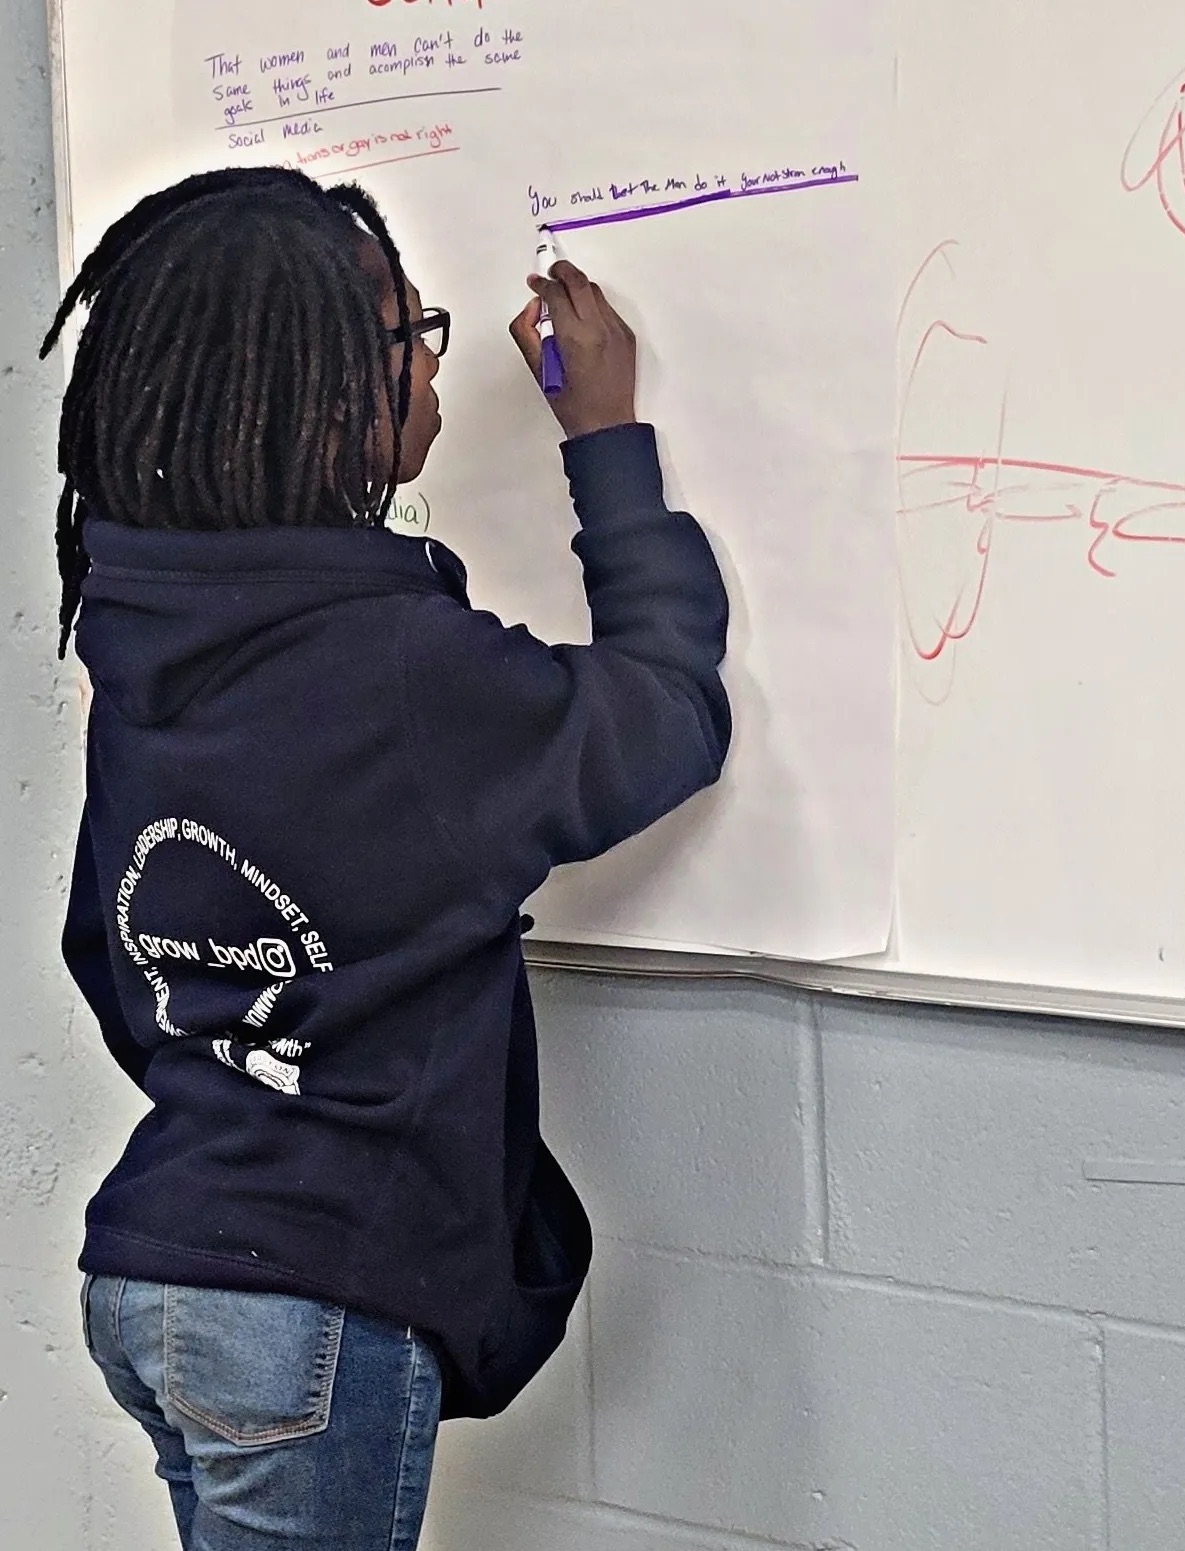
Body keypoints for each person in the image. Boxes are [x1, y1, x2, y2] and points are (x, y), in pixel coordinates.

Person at [47, 166, 731, 1550]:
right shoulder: (405, 674)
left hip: (157, 1263)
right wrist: (607, 440)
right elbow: (663, 716)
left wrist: (252, 1060)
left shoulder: (145, 647)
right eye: (409, 336)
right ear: (317, 393)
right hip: (306, 1299)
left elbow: (104, 951)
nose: (431, 360)